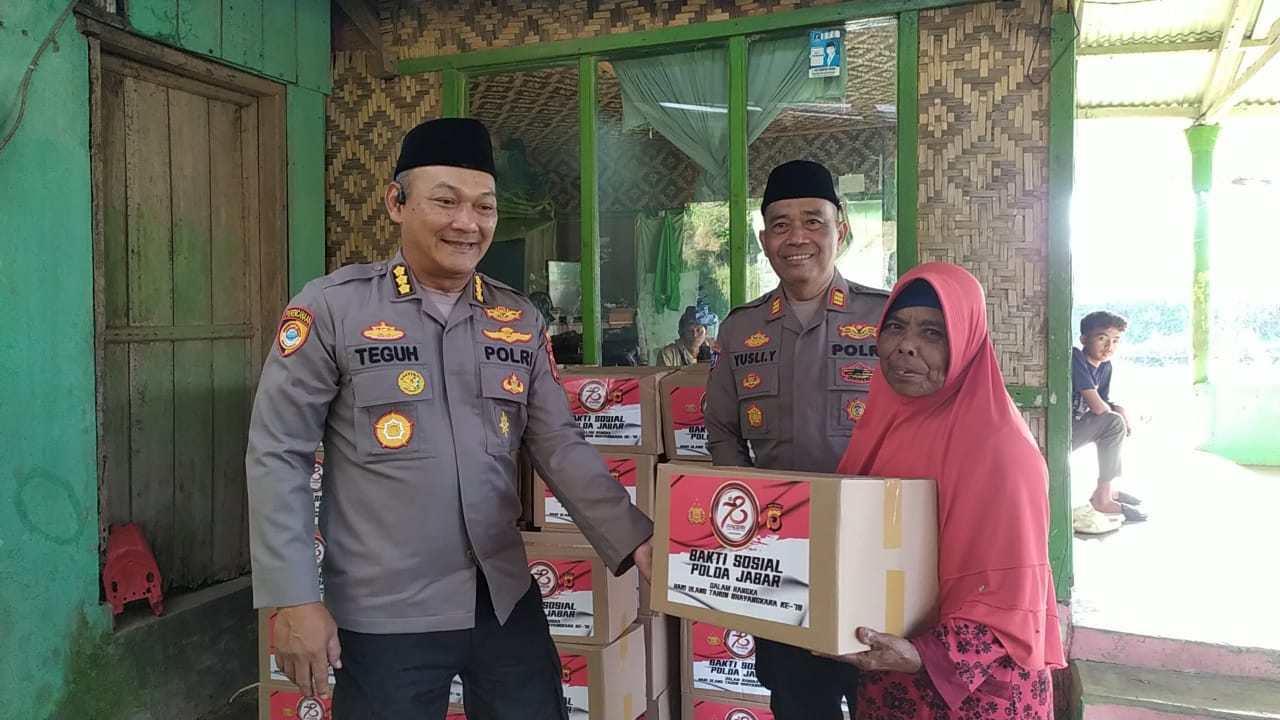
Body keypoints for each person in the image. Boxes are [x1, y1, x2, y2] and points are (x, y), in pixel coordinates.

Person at [245, 117, 654, 720]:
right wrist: (293, 597)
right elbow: (278, 453)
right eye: (446, 201)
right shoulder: (332, 309)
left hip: (503, 599)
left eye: (484, 207)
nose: (468, 222)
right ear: (396, 202)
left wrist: (636, 537)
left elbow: (559, 444)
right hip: (385, 613)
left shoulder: (517, 319)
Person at [825, 263, 1066, 719]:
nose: (906, 345)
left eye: (932, 332)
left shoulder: (1002, 449)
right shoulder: (882, 426)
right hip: (889, 677)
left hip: (978, 693)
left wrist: (923, 654)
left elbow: (1015, 595)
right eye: (895, 327)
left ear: (966, 342)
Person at [705, 159, 889, 719]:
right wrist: (751, 518)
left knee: (881, 699)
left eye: (813, 220)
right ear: (765, 241)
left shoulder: (886, 319)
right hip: (782, 561)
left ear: (842, 229)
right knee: (797, 701)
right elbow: (722, 431)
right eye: (780, 225)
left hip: (873, 553)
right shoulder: (742, 328)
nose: (797, 237)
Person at [1071, 310, 1144, 520]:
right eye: (1102, 338)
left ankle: (1108, 490)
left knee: (1115, 419)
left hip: (1077, 426)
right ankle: (1102, 498)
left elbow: (1104, 401)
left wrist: (1118, 407)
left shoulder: (1105, 366)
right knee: (1113, 423)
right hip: (1058, 430)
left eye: (1115, 340)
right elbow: (1097, 407)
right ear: (1084, 339)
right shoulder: (1076, 358)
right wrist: (1115, 414)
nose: (1109, 346)